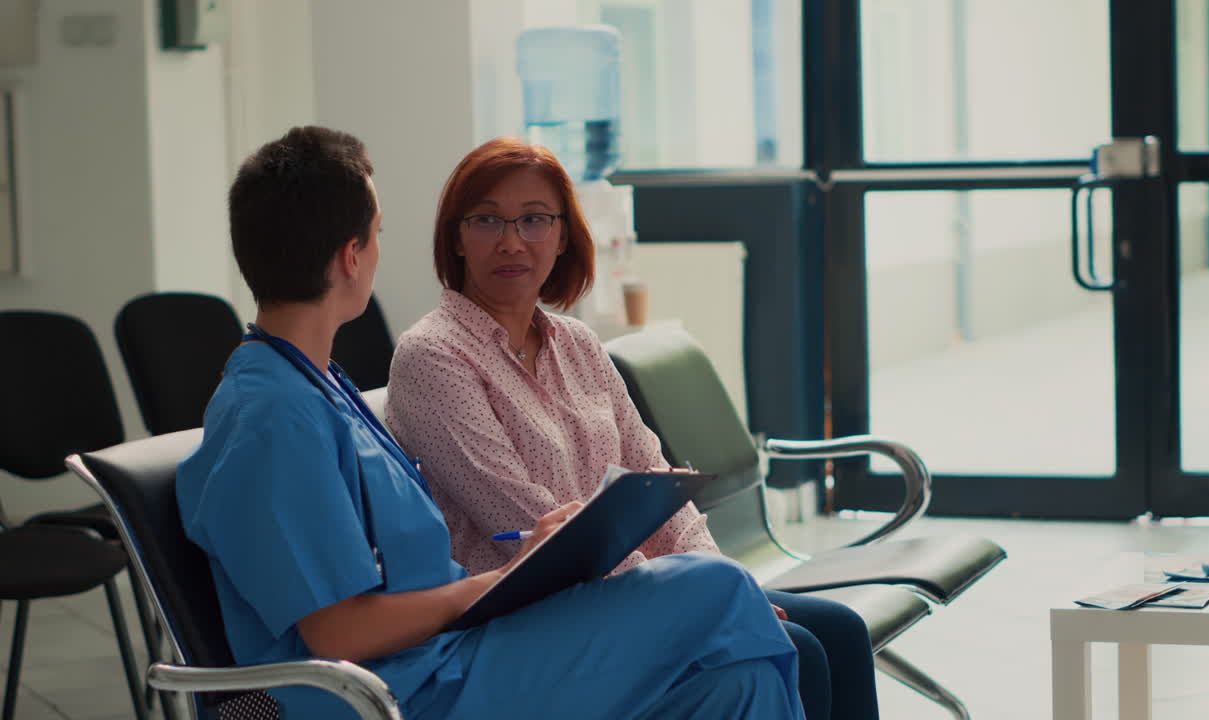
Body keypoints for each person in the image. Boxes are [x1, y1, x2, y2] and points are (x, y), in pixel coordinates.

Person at [175, 126, 804, 720]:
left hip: (449, 656)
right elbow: (338, 633)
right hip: (403, 690)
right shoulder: (273, 415)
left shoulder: (316, 386)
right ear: (350, 257)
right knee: (714, 588)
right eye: (378, 232)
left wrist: (514, 571)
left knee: (741, 685)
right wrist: (500, 579)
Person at [385, 137, 880, 720]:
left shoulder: (577, 344)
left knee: (841, 632)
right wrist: (687, 601)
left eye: (535, 219)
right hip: (527, 625)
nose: (512, 241)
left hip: (633, 592)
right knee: (802, 651)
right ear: (457, 237)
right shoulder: (434, 355)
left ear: (564, 236)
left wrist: (717, 580)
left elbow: (653, 479)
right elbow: (528, 530)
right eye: (488, 220)